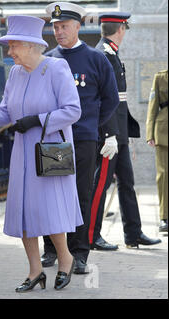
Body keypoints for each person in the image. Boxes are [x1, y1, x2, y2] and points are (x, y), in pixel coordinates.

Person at [0, 15, 82, 292]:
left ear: (32, 45)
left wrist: (37, 120)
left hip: (50, 152)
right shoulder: (16, 73)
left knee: (51, 210)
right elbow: (7, 112)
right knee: (25, 211)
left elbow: (72, 110)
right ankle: (35, 271)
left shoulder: (57, 68)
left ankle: (65, 258)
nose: (9, 53)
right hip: (23, 153)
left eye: (13, 46)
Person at [41, 2, 119, 275]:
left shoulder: (96, 59)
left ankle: (79, 252)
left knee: (79, 194)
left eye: (64, 26)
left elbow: (110, 99)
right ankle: (51, 249)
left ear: (77, 26)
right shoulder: (48, 60)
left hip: (84, 138)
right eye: (55, 26)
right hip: (54, 138)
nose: (59, 31)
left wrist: (90, 125)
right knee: (51, 193)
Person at [89, 12, 161, 250]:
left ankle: (133, 233)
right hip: (109, 134)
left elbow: (119, 101)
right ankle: (91, 236)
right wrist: (109, 134)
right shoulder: (103, 55)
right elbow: (102, 101)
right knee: (101, 184)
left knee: (127, 183)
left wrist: (124, 133)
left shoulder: (111, 54)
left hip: (119, 134)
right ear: (120, 30)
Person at [146, 70, 168, 233]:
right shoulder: (161, 77)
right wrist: (149, 134)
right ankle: (165, 217)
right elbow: (152, 107)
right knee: (164, 176)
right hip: (164, 132)